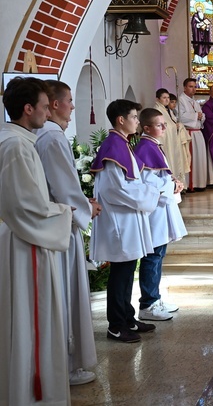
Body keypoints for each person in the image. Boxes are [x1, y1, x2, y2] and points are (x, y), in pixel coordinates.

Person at [0, 77, 73, 405]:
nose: (49, 111)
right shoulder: (15, 146)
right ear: (27, 109)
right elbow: (26, 207)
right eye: (44, 106)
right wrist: (65, 212)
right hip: (25, 243)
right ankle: (32, 394)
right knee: (33, 320)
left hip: (19, 238)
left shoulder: (15, 140)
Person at [35, 80, 102, 387]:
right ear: (55, 104)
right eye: (70, 101)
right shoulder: (52, 136)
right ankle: (67, 366)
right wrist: (86, 209)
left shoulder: (41, 134)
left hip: (56, 221)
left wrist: (81, 202)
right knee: (68, 295)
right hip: (63, 227)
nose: (73, 106)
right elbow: (63, 187)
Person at [90, 99, 160, 344]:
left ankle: (128, 318)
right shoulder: (113, 146)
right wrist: (149, 194)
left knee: (128, 271)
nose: (137, 122)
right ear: (121, 120)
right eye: (134, 117)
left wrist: (146, 191)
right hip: (120, 221)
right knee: (120, 274)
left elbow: (130, 182)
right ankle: (116, 326)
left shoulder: (122, 143)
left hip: (129, 218)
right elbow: (114, 190)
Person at [134, 108, 187, 321]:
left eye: (164, 124)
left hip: (159, 207)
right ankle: (148, 304)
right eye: (159, 125)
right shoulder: (145, 146)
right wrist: (171, 184)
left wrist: (172, 182)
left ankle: (155, 299)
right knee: (153, 256)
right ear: (146, 128)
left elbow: (160, 175)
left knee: (158, 254)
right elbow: (146, 181)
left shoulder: (151, 144)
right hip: (154, 209)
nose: (164, 128)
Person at [154, 89, 188, 185]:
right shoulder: (157, 110)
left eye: (168, 97)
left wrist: (177, 125)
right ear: (157, 99)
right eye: (164, 98)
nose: (167, 100)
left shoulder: (167, 110)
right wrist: (174, 126)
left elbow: (172, 122)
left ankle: (178, 184)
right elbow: (162, 126)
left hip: (172, 140)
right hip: (165, 142)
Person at [179, 78, 208, 192]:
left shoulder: (194, 101)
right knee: (190, 159)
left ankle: (199, 183)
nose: (193, 89)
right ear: (185, 87)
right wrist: (197, 115)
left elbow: (201, 115)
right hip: (189, 133)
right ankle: (191, 184)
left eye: (195, 87)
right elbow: (181, 117)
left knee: (199, 159)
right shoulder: (181, 100)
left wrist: (201, 116)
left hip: (197, 133)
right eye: (191, 86)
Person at [169, 93, 192, 186]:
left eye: (175, 102)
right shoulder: (166, 112)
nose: (174, 104)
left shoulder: (174, 112)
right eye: (172, 102)